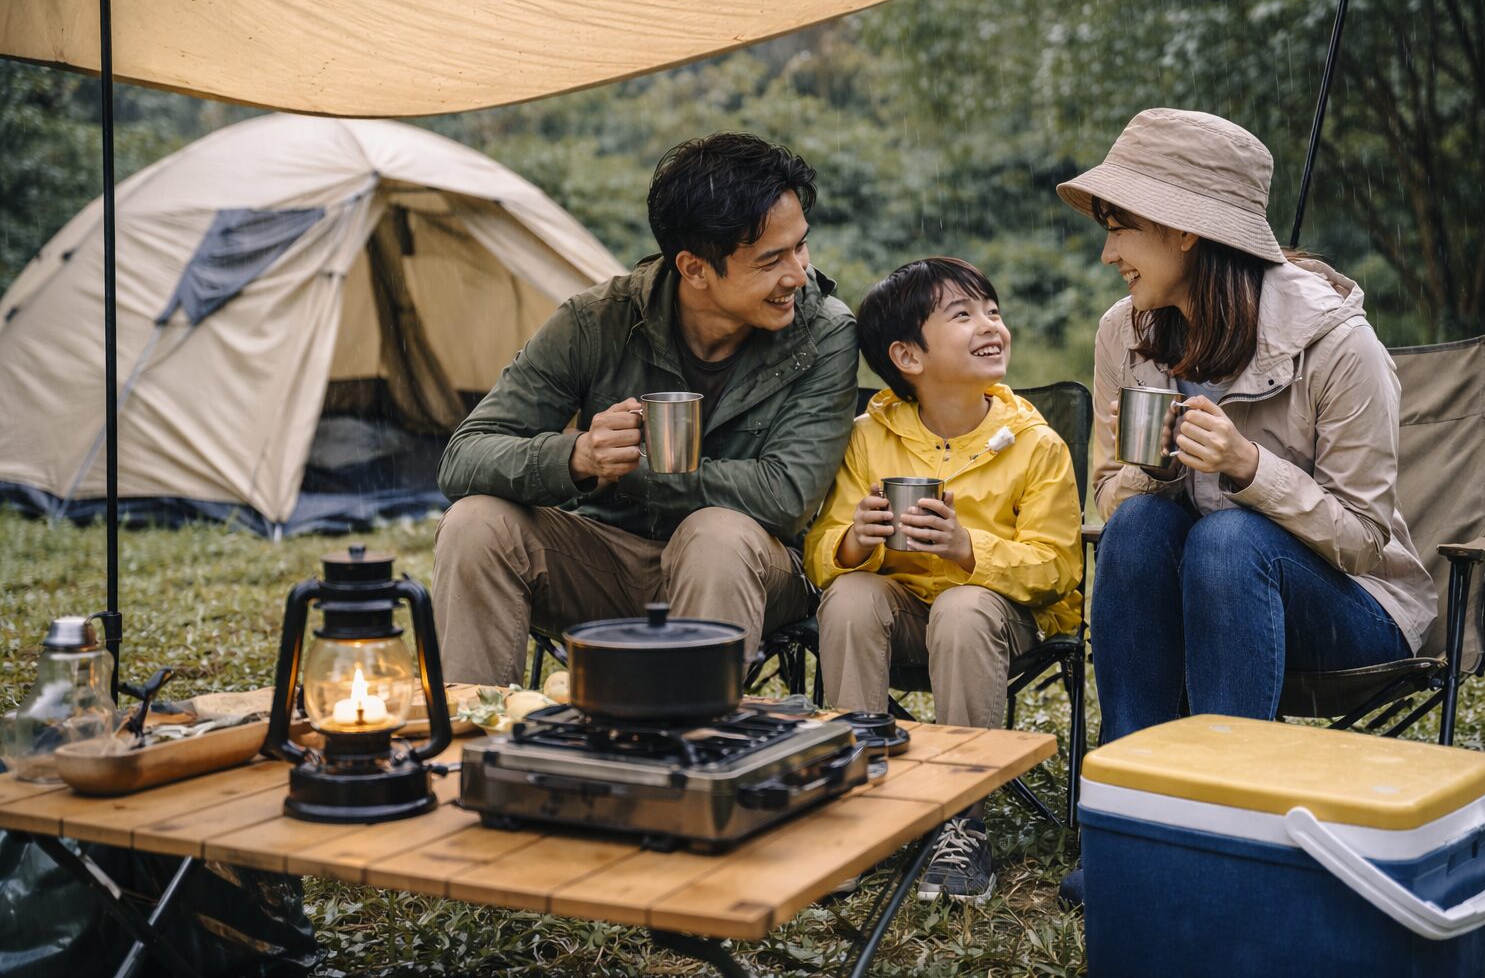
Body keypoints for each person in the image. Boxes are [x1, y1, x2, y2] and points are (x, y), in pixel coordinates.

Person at [1058, 108, 1436, 745]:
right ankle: (1130, 776)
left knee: (1229, 539)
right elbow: (1110, 502)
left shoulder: (1339, 345)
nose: (1108, 253)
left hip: (1353, 610)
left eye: (1120, 229)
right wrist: (1152, 470)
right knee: (1139, 524)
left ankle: (1226, 787)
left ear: (1184, 229)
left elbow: (1364, 541)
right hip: (1201, 598)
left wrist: (1250, 467)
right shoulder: (1123, 333)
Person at [433, 132, 859, 685]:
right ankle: (473, 729)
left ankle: (695, 737)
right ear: (694, 268)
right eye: (771, 260)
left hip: (748, 567)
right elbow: (463, 457)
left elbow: (785, 498)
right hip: (602, 562)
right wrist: (578, 457)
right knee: (475, 525)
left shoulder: (823, 333)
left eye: (800, 246)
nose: (797, 275)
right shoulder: (596, 321)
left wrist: (635, 470)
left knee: (716, 536)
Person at [805, 256, 1083, 903]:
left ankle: (962, 821)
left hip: (999, 621)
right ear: (907, 356)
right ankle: (858, 807)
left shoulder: (1034, 444)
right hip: (902, 612)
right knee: (849, 595)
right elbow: (819, 552)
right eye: (963, 315)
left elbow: (1059, 566)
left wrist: (968, 549)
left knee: (963, 607)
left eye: (993, 311)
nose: (990, 325)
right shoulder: (867, 439)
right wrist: (854, 539)